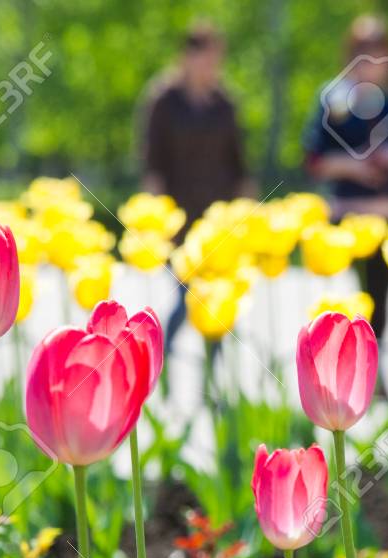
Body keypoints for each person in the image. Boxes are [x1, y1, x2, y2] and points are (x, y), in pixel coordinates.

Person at [304, 15, 388, 340]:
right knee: (341, 300)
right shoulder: (333, 100)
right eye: (362, 49)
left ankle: (375, 366)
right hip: (346, 215)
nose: (371, 59)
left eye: (378, 49)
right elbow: (315, 159)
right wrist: (355, 164)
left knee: (381, 300)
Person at [140, 21, 251, 351]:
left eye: (215, 59)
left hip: (218, 217)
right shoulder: (163, 100)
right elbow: (153, 163)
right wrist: (157, 220)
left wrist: (244, 216)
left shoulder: (224, 103)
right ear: (186, 57)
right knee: (185, 297)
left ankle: (214, 385)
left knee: (216, 302)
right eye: (203, 58)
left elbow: (240, 162)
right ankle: (161, 356)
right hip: (178, 214)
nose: (210, 67)